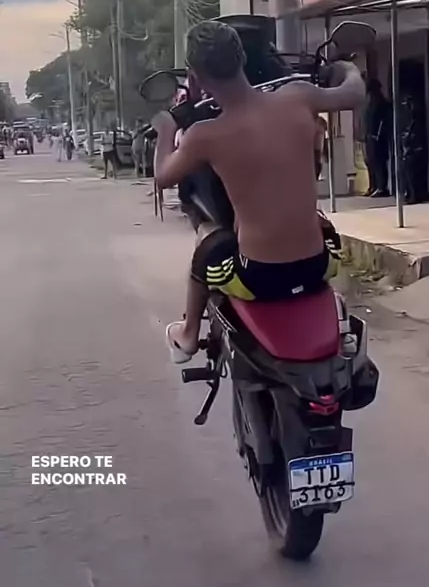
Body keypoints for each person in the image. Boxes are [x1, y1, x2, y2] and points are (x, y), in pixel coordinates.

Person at [153, 20, 365, 363]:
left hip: (259, 277)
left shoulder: (204, 136)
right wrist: (344, 67)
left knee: (209, 241)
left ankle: (189, 335)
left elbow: (163, 176)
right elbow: (354, 94)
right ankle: (338, 315)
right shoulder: (299, 97)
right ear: (241, 58)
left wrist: (166, 127)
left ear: (194, 77)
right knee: (321, 224)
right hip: (318, 266)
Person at [363, 79, 392, 198]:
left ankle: (381, 187)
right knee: (370, 162)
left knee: (379, 162)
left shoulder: (381, 103)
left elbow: (383, 121)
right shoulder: (370, 103)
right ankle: (373, 185)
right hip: (370, 136)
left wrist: (377, 135)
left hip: (377, 138)